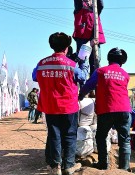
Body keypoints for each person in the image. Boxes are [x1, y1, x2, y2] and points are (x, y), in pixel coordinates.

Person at [32, 32, 89, 175]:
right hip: (69, 107)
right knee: (70, 135)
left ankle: (54, 166)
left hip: (50, 107)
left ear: (52, 46)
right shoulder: (71, 65)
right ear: (67, 48)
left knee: (54, 135)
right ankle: (69, 165)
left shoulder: (42, 63)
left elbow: (34, 76)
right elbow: (83, 77)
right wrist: (85, 62)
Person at [78, 47, 131, 171]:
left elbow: (88, 86)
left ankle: (103, 164)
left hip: (106, 110)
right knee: (125, 140)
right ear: (122, 62)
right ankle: (125, 168)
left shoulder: (100, 72)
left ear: (108, 59)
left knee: (101, 137)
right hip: (124, 110)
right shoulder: (125, 74)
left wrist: (80, 96)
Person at [73, 0, 106, 74]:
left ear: (93, 1)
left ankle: (94, 86)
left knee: (95, 61)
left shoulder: (95, 10)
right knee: (82, 61)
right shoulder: (79, 8)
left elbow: (100, 4)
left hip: (95, 39)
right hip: (82, 39)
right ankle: (83, 85)